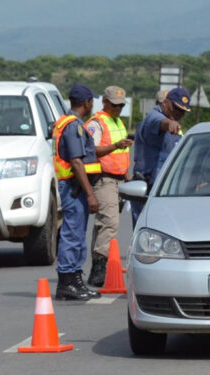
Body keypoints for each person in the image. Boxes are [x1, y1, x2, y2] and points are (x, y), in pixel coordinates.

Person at [52, 84, 102, 301]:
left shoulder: (69, 122)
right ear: (87, 102)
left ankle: (75, 280)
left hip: (75, 186)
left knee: (76, 235)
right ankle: (67, 282)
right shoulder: (74, 127)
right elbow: (76, 162)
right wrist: (90, 194)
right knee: (72, 235)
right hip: (75, 187)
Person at [84, 86, 133, 287]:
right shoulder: (97, 123)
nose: (118, 108)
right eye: (114, 105)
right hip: (104, 179)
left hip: (119, 179)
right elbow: (91, 150)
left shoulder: (118, 121)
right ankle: (99, 268)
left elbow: (122, 154)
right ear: (104, 102)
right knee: (110, 223)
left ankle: (99, 266)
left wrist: (127, 174)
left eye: (121, 105)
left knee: (105, 224)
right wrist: (116, 146)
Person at [131, 87, 190, 224]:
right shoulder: (153, 116)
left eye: (183, 111)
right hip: (148, 190)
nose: (179, 114)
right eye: (176, 108)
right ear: (166, 102)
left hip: (166, 190)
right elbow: (159, 122)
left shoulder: (176, 127)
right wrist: (170, 123)